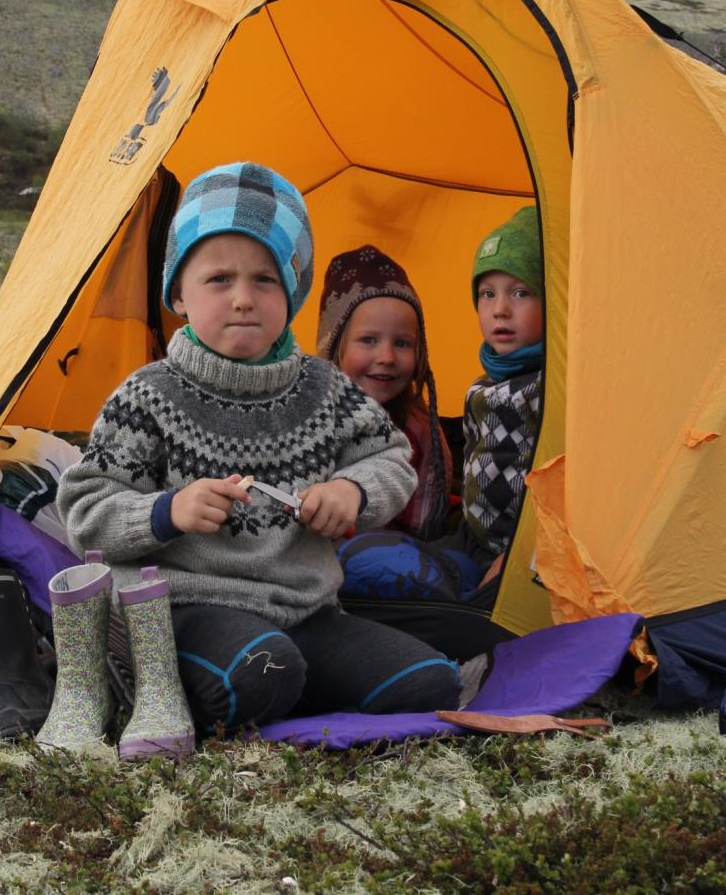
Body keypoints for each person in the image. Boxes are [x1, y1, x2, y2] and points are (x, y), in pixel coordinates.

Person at [57, 162, 461, 733]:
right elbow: (86, 512)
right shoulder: (148, 395)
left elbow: (390, 458)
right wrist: (165, 512)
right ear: (179, 293)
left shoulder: (326, 390)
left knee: (429, 684)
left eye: (265, 280)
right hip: (184, 609)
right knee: (264, 673)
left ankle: (283, 683)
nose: (243, 299)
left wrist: (352, 490)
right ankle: (144, 679)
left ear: (292, 293)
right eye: (219, 279)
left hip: (304, 612)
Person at [314, 245, 453, 540]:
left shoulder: (419, 431)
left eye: (402, 343)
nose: (387, 357)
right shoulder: (307, 415)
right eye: (368, 340)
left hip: (388, 561)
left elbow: (422, 529)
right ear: (334, 349)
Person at [457, 205, 546, 593]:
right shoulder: (481, 388)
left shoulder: (551, 388)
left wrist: (516, 557)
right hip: (475, 542)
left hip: (526, 558)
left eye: (521, 293)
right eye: (487, 294)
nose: (500, 310)